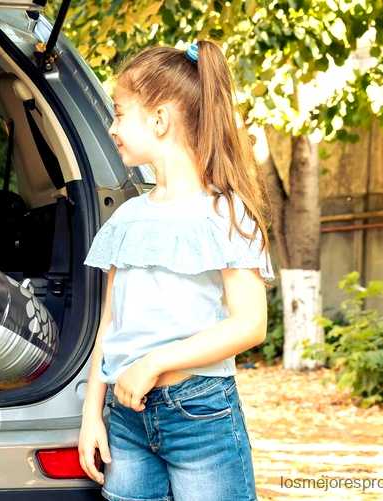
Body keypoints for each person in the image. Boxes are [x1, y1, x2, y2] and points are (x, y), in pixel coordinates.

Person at [76, 40, 274, 501]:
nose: (112, 127)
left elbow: (250, 325)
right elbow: (110, 324)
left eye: (120, 113)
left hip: (199, 412)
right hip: (125, 419)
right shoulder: (126, 217)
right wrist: (91, 414)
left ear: (160, 119)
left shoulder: (225, 211)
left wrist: (155, 362)